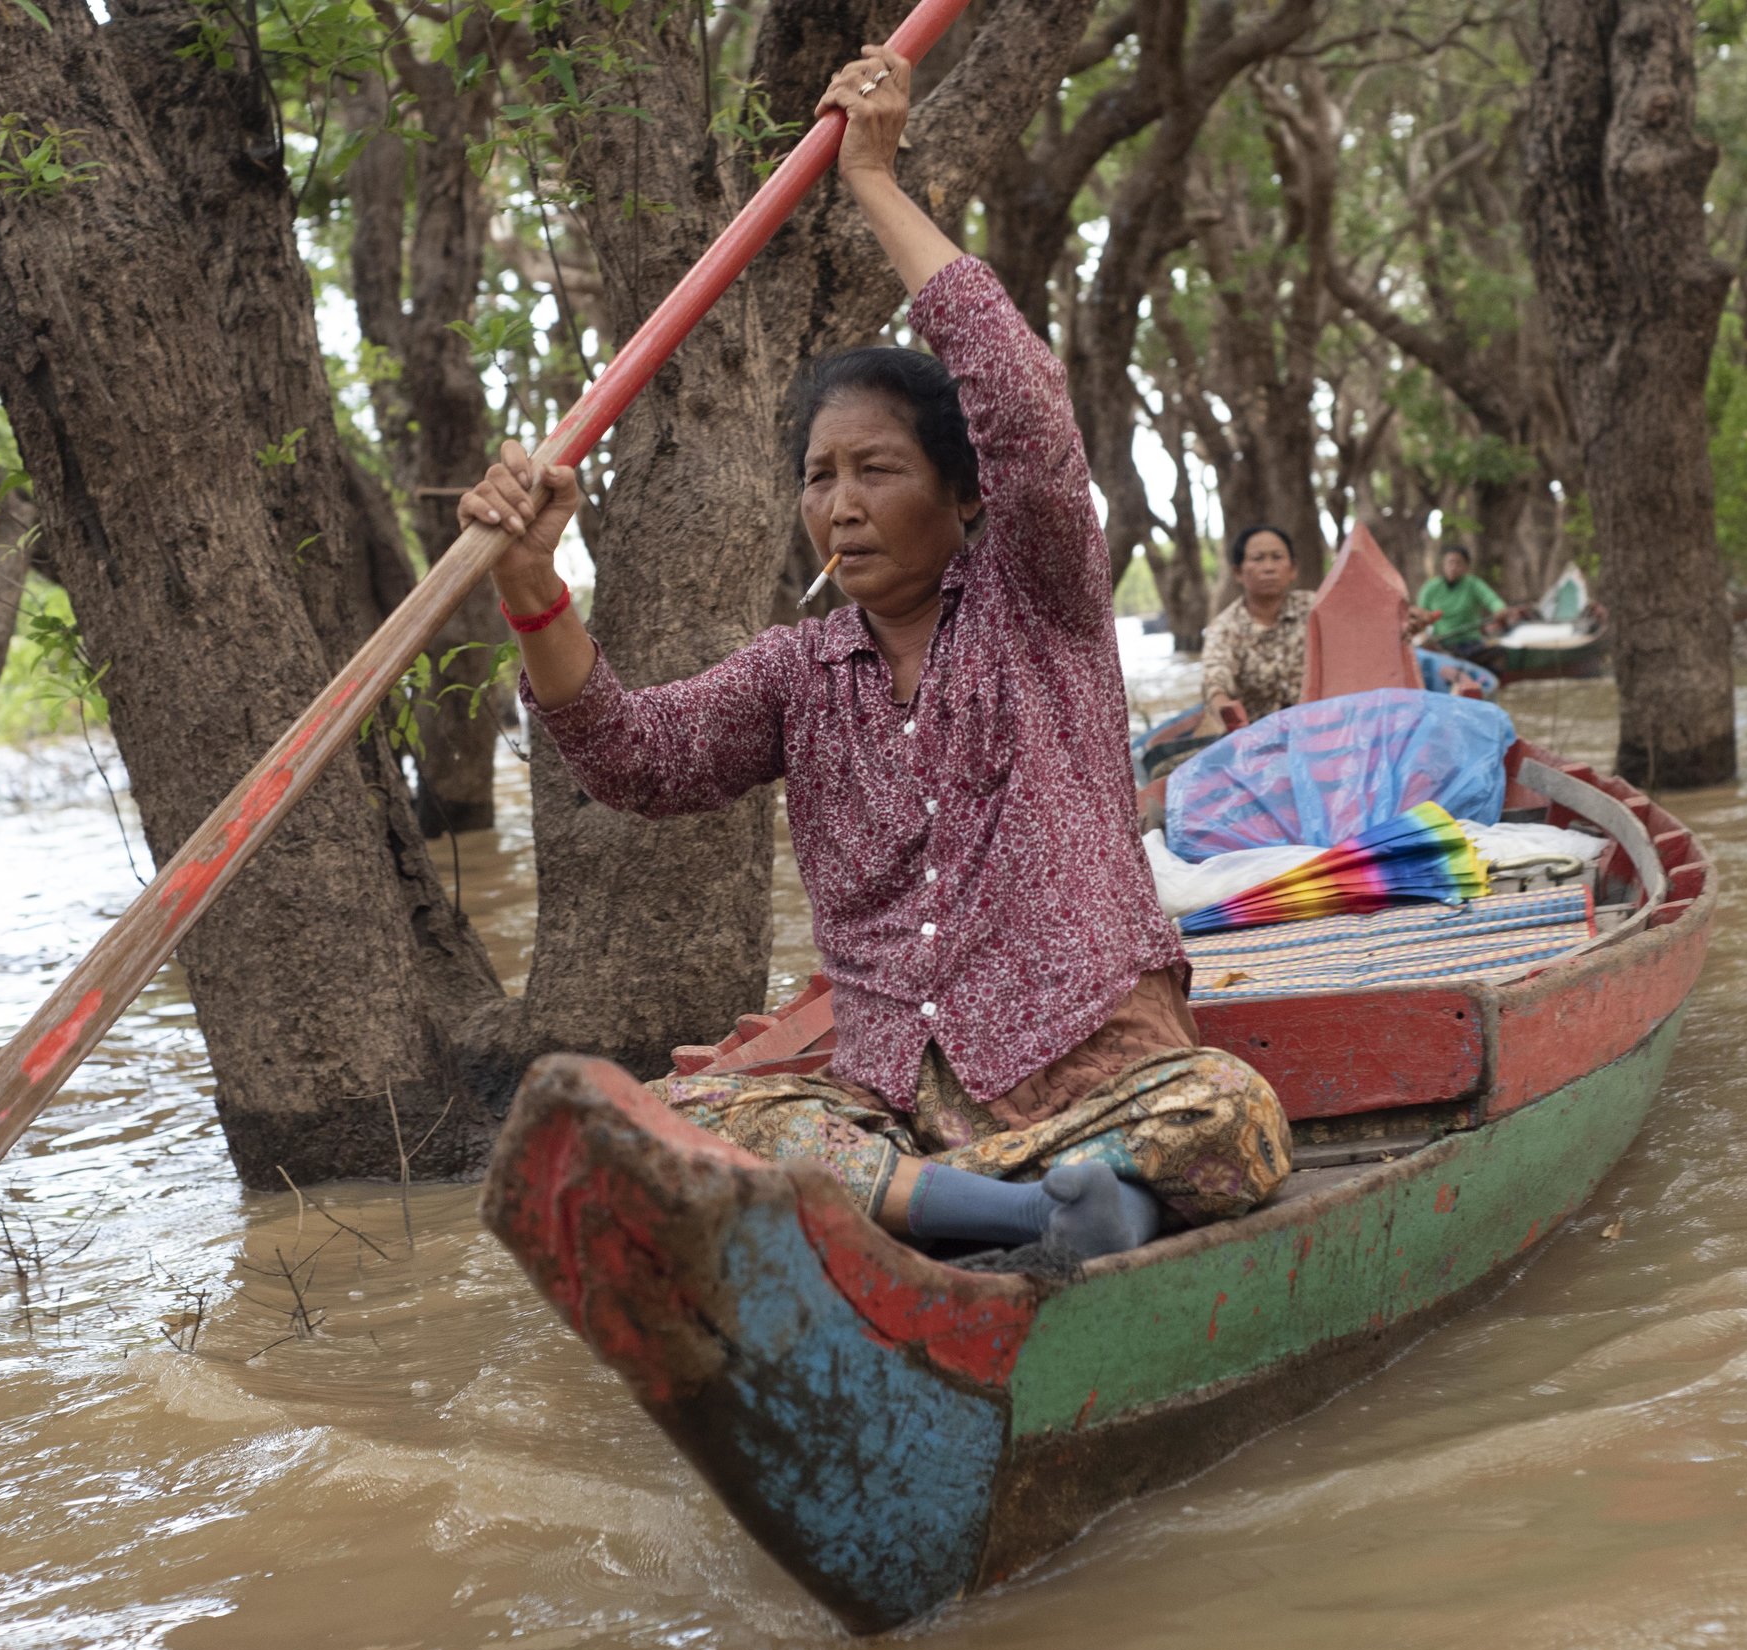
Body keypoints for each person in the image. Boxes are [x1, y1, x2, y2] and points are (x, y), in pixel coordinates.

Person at [459, 45, 1288, 1261]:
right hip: (904, 1109)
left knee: (1231, 1115)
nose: (839, 506)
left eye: (876, 470)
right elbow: (634, 757)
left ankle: (1050, 1196)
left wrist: (876, 181)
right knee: (683, 1119)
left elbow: (1021, 405)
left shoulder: (1038, 602)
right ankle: (1021, 1214)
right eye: (817, 477)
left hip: (1099, 1068)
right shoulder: (796, 674)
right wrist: (532, 583)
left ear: (961, 494)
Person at [1198, 524, 1310, 729]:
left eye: (1277, 557)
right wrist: (1225, 709)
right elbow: (1215, 681)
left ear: (1293, 569)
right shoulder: (1224, 628)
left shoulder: (1315, 609)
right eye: (1258, 559)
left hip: (1318, 728)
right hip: (1256, 738)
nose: (1269, 568)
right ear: (1238, 572)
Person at [1411, 542, 1513, 655]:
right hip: (1441, 645)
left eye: (1458, 563)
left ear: (1466, 566)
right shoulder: (1430, 588)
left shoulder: (1473, 584)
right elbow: (1420, 614)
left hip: (1471, 643)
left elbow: (1492, 600)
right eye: (1450, 562)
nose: (1453, 567)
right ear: (1443, 564)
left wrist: (1500, 609)